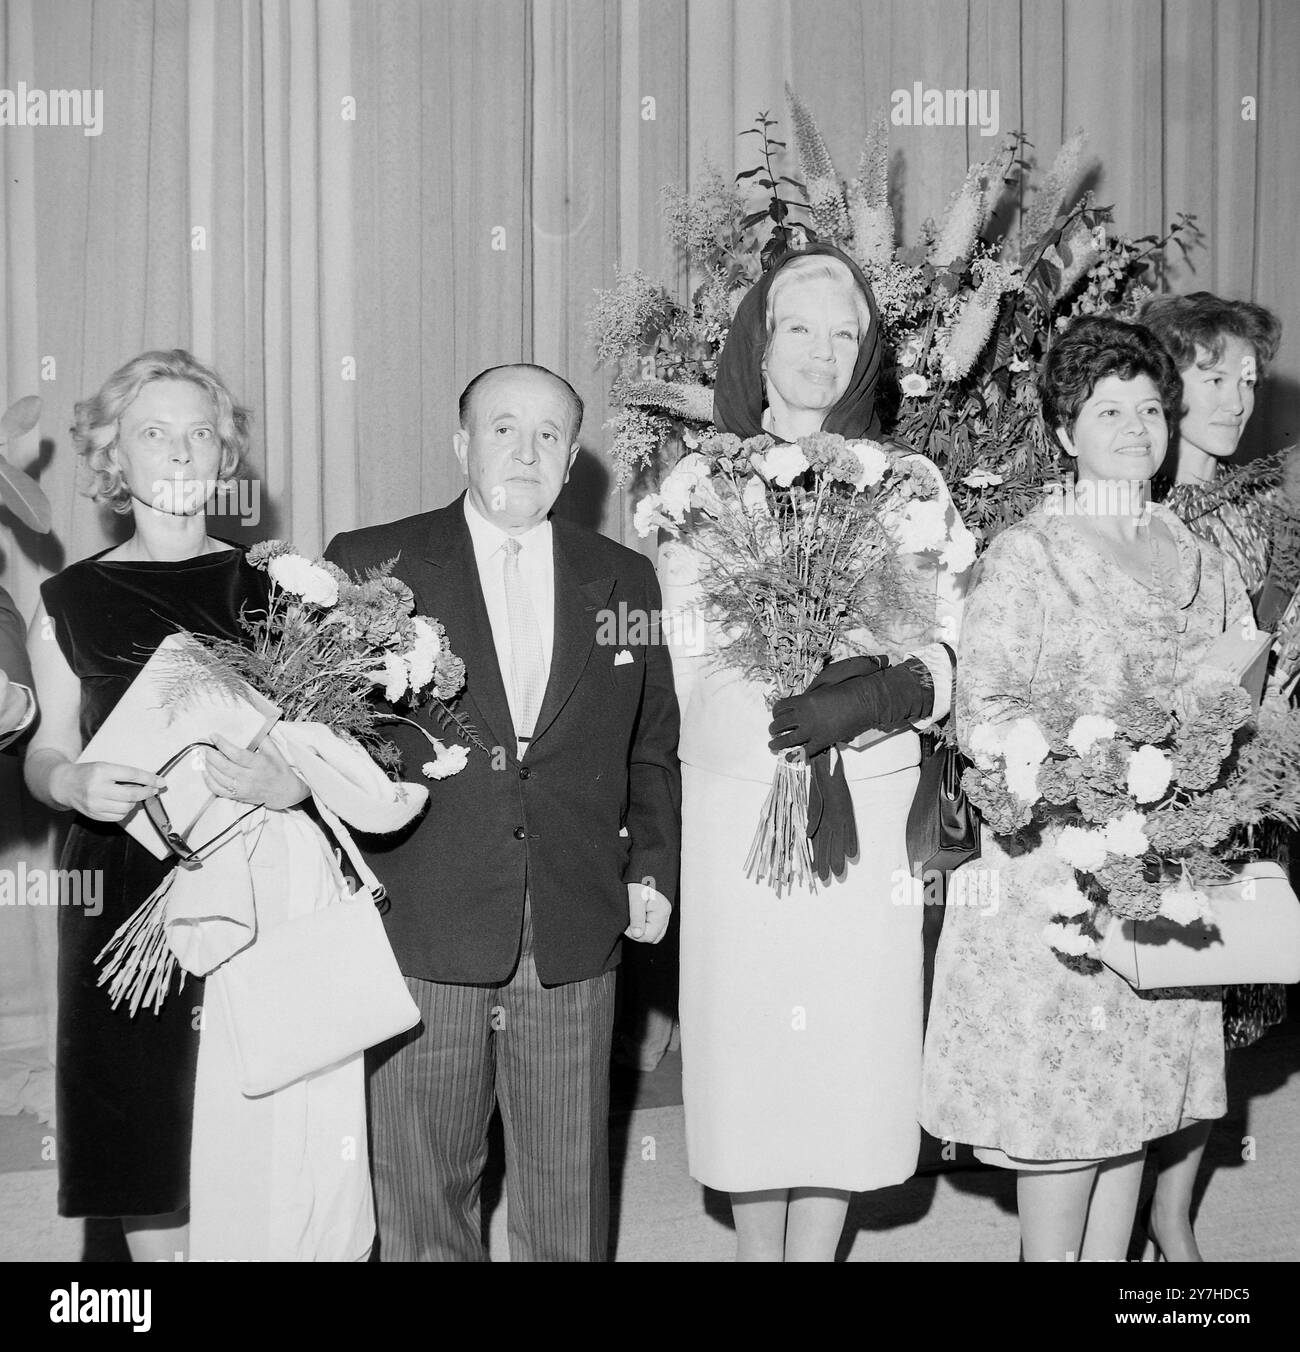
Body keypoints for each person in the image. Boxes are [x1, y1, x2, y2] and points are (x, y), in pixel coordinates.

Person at [324, 362, 681, 1262]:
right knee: (422, 1189)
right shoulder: (372, 565)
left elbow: (650, 743)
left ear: (571, 464)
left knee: (566, 1195)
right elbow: (318, 742)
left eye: (550, 435)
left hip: (572, 923)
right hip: (425, 925)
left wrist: (652, 869)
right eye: (503, 428)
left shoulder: (624, 581)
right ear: (462, 445)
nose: (526, 451)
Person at [664, 242, 968, 1261]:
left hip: (867, 797)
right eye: (800, 326)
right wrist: (772, 717)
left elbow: (948, 638)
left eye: (846, 332)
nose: (822, 350)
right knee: (748, 1037)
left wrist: (881, 695)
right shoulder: (698, 483)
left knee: (845, 1036)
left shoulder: (911, 483)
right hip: (739, 803)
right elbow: (681, 659)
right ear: (759, 340)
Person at [921, 316, 1247, 1262]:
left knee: (1133, 1106)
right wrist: (1086, 771)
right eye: (1111, 409)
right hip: (1054, 879)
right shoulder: (1030, 556)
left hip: (1165, 871)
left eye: (1151, 406)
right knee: (1065, 1118)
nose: (1138, 426)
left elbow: (1235, 698)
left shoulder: (1199, 556)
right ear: (1066, 432)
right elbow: (983, 716)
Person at [23, 350, 307, 1261]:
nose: (180, 455)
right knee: (140, 1126)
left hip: (256, 873)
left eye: (199, 436)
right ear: (114, 457)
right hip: (118, 886)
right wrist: (67, 783)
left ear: (226, 460)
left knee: (254, 1105)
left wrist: (288, 782)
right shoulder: (65, 601)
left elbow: (323, 758)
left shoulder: (281, 591)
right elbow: (46, 749)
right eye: (154, 434)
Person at [1141, 291, 1287, 1260]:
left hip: (1254, 790)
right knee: (1147, 1016)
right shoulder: (1126, 510)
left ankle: (1171, 1213)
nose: (1237, 397)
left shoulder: (1268, 508)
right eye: (1212, 374)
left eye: (1247, 378)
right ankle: (1122, 1212)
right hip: (1150, 802)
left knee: (1221, 1026)